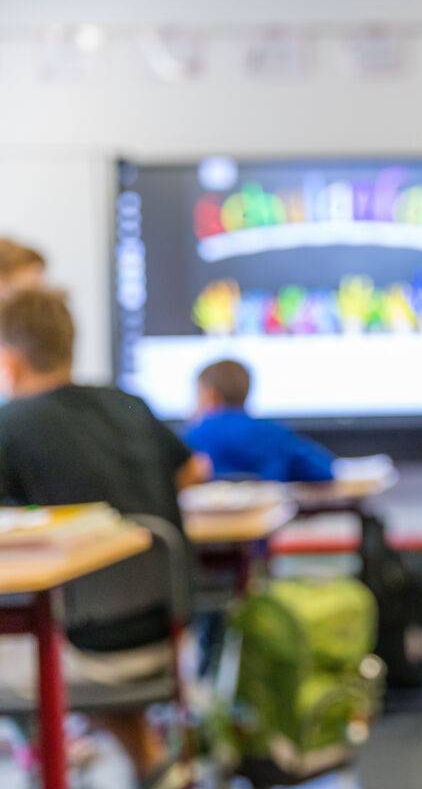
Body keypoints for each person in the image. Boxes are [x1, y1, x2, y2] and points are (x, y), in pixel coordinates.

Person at [0, 288, 205, 781]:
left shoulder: (10, 426)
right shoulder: (128, 403)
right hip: (168, 636)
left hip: (75, 647)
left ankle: (45, 760)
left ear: (8, 360)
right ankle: (148, 761)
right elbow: (194, 469)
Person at [184, 358, 335, 482]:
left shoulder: (195, 435)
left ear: (211, 395)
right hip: (271, 515)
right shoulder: (272, 432)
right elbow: (322, 470)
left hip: (207, 517)